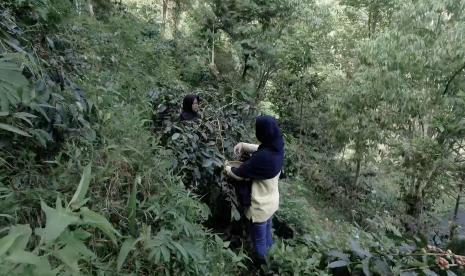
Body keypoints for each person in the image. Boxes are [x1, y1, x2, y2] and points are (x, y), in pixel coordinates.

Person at [224, 115, 285, 265]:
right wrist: (243, 145)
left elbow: (239, 174)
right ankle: (275, 260)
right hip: (271, 203)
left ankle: (262, 266)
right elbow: (261, 148)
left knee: (259, 242)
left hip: (259, 207)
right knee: (267, 234)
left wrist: (226, 167)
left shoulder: (261, 159)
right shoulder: (278, 147)